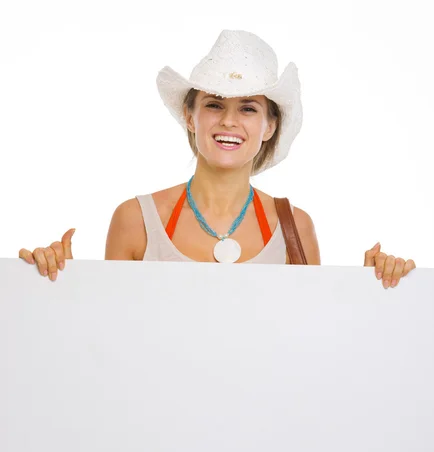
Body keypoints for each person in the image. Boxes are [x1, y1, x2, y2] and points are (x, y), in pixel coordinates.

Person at [19, 29, 416, 288]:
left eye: (248, 108)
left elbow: (310, 345)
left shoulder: (296, 227)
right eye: (213, 104)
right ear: (190, 117)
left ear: (270, 126)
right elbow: (108, 340)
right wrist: (60, 285)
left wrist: (371, 292)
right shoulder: (136, 220)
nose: (228, 121)